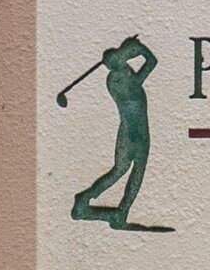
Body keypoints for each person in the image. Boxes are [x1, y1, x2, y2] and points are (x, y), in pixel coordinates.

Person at [57, 34, 170, 230]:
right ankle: (85, 200)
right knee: (120, 171)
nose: (125, 61)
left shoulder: (123, 76)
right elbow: (152, 62)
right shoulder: (119, 82)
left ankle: (121, 212)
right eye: (121, 59)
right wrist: (139, 49)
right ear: (116, 65)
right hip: (130, 133)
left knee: (136, 172)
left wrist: (128, 50)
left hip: (140, 132)